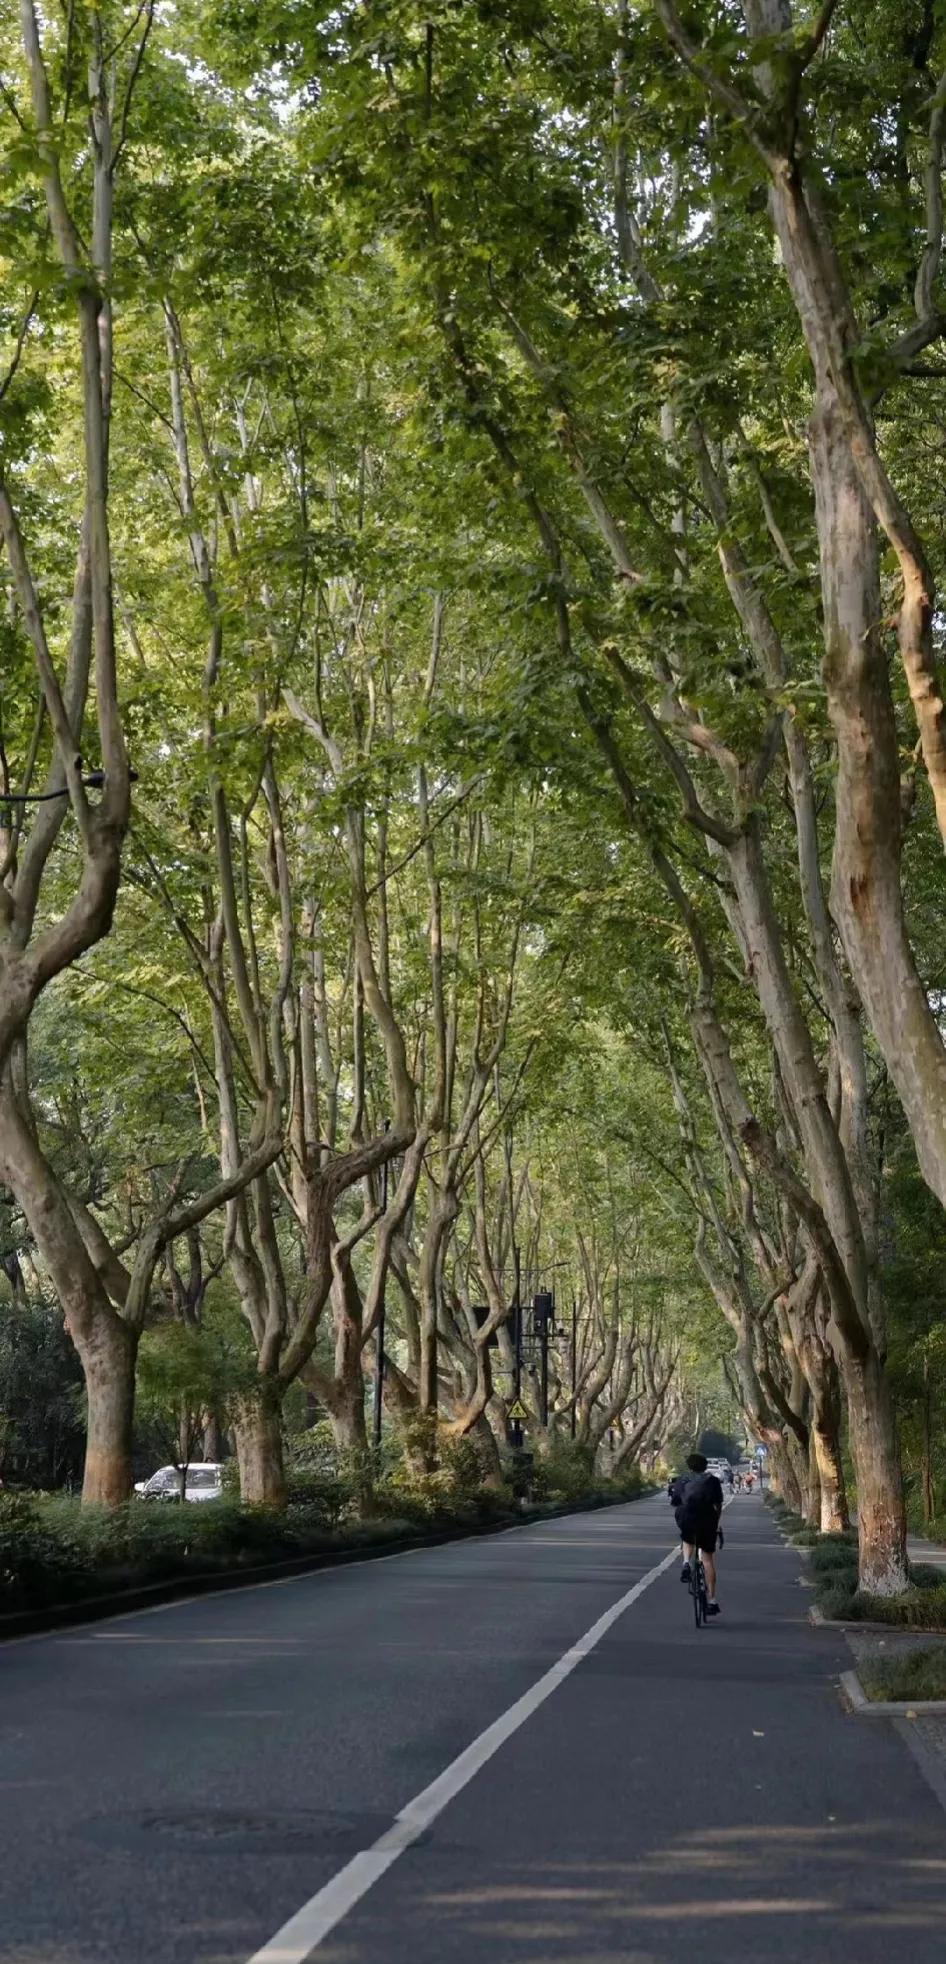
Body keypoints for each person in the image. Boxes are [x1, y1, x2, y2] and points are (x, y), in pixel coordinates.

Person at [674, 1451, 724, 1617]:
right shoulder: (713, 1481)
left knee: (687, 1539)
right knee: (708, 1559)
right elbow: (718, 1504)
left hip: (687, 1519)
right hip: (708, 1521)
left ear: (689, 1466)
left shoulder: (682, 1480)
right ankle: (712, 1600)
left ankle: (686, 1563)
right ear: (705, 1466)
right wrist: (716, 1523)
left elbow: (675, 1502)